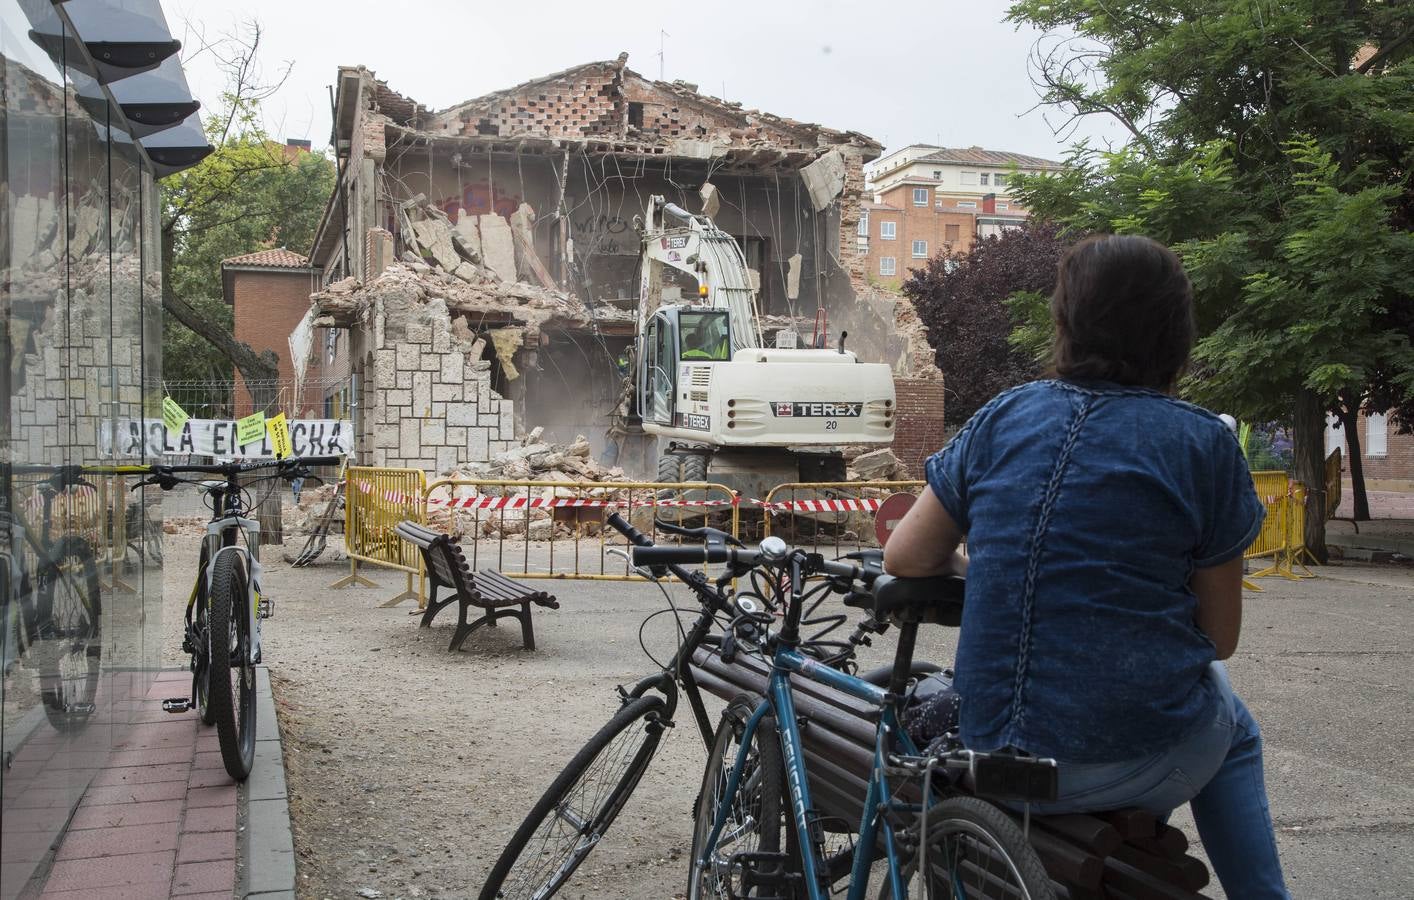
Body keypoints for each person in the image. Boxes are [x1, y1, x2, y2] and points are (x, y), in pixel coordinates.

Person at [883, 234, 1290, 899]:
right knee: (1231, 723)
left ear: (1067, 321)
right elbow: (1220, 639)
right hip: (1112, 761)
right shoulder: (1202, 444)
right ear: (1176, 332)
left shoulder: (1004, 416)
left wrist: (983, 569)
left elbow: (906, 554)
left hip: (989, 754)